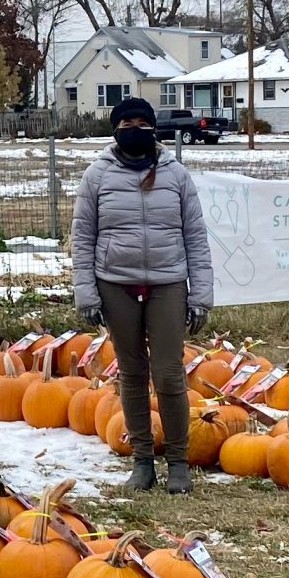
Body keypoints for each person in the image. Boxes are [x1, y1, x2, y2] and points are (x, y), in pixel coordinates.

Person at [71, 96, 213, 493]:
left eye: (141, 122)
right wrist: (86, 292)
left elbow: (196, 238)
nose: (134, 128)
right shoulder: (96, 176)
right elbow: (82, 237)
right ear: (115, 129)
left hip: (168, 282)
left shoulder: (176, 175)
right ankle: (143, 460)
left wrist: (200, 294)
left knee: (168, 373)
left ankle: (179, 461)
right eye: (126, 122)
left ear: (153, 128)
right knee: (131, 373)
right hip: (114, 282)